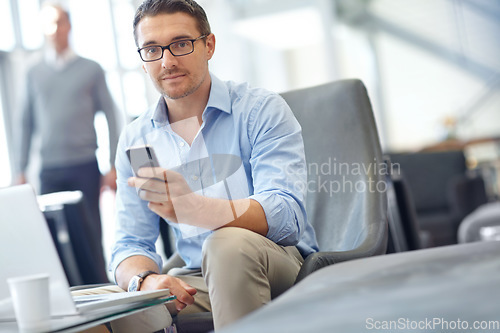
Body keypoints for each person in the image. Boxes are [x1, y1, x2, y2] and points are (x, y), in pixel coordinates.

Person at [108, 0, 319, 330]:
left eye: (180, 44)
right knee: (104, 313)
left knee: (227, 246)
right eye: (151, 49)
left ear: (208, 45)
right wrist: (144, 280)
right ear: (142, 60)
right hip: (197, 279)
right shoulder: (138, 140)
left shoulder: (259, 110)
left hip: (279, 263)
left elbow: (286, 215)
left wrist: (195, 208)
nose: (167, 61)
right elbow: (130, 243)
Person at [15, 2, 121, 282]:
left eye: (58, 22)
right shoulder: (33, 73)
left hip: (84, 165)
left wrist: (112, 165)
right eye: (48, 25)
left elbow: (111, 116)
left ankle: (101, 291)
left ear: (69, 26)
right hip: (50, 169)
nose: (53, 30)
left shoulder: (91, 69)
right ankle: (67, 296)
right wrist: (20, 169)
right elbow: (25, 123)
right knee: (49, 240)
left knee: (90, 235)